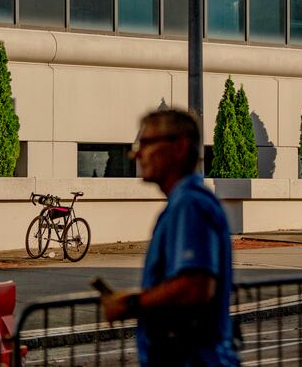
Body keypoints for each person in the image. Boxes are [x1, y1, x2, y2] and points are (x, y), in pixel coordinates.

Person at [100, 109, 238, 367]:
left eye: (147, 143)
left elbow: (194, 287)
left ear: (179, 146)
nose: (135, 154)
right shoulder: (186, 202)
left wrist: (131, 303)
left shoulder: (190, 204)